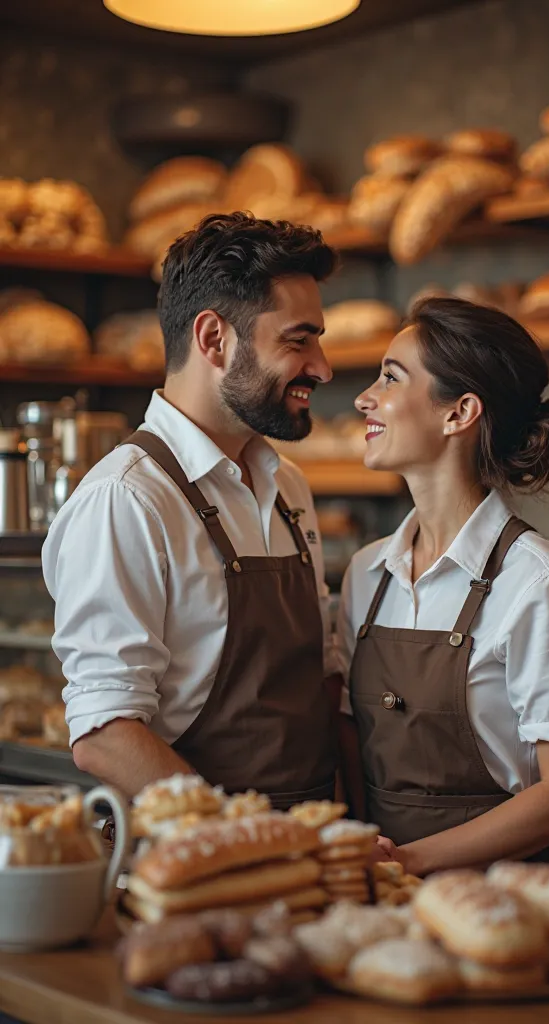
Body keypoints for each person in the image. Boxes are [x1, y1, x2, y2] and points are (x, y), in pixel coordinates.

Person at [43, 212, 340, 802]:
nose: (322, 367)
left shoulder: (290, 489)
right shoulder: (126, 500)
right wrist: (239, 838)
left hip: (310, 850)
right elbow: (105, 734)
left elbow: (323, 681)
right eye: (297, 340)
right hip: (195, 862)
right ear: (213, 339)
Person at [336, 296, 549, 874]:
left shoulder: (541, 582)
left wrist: (407, 861)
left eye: (390, 377)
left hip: (510, 899)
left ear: (458, 413)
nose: (365, 398)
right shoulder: (366, 575)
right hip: (385, 893)